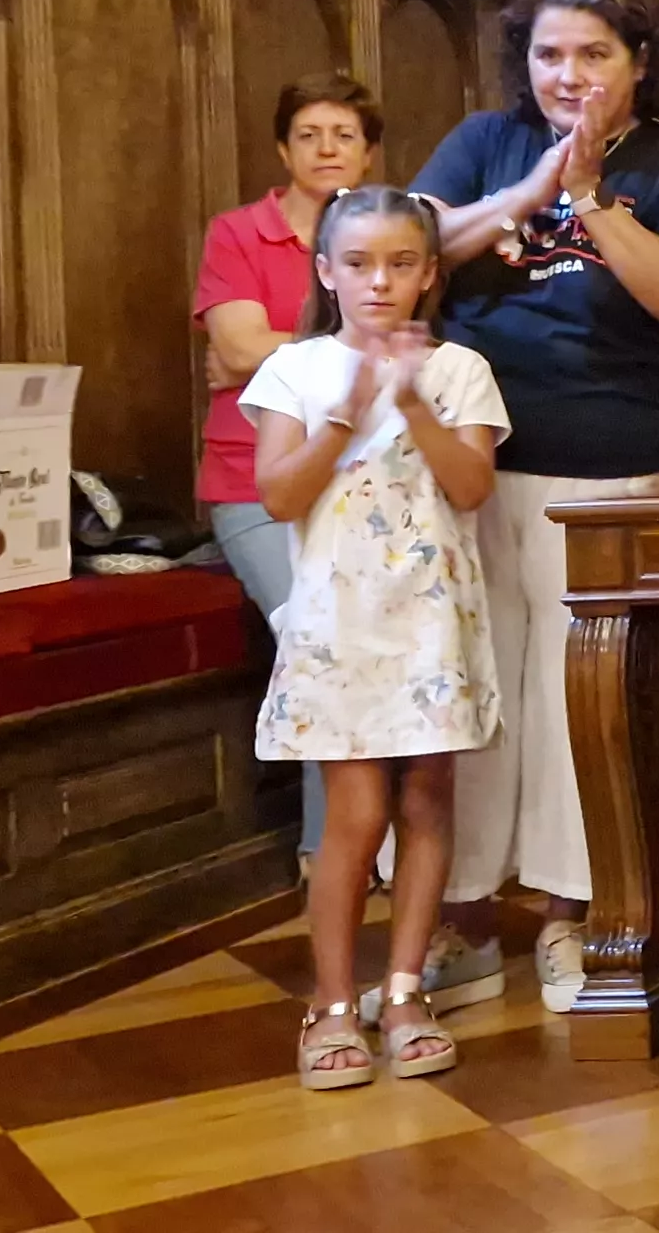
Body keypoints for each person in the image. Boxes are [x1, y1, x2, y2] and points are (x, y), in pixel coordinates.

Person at [408, 0, 659, 1014]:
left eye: (594, 54)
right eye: (549, 54)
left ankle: (571, 912)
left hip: (616, 462)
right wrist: (523, 194)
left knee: (573, 697)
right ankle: (462, 915)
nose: (569, 74)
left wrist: (587, 197)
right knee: (476, 687)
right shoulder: (483, 143)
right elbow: (408, 254)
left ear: (638, 65)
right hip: (475, 461)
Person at [240, 184, 508, 1092]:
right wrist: (349, 411)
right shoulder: (295, 371)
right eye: (358, 264)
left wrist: (414, 403)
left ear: (429, 274)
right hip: (340, 628)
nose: (379, 282)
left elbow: (471, 487)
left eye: (400, 264)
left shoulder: (460, 370)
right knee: (355, 815)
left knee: (427, 800)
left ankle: (403, 994)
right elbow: (280, 494)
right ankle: (330, 1004)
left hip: (431, 622)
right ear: (326, 272)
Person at [195, 76, 381, 890]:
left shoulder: (386, 228)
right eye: (309, 134)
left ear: (368, 152)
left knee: (361, 640)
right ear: (282, 148)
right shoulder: (239, 232)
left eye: (344, 134)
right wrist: (359, 345)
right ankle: (324, 854)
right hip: (252, 481)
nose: (327, 149)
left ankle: (365, 845)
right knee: (317, 634)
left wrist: (281, 351)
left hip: (367, 482)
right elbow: (236, 348)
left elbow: (255, 353)